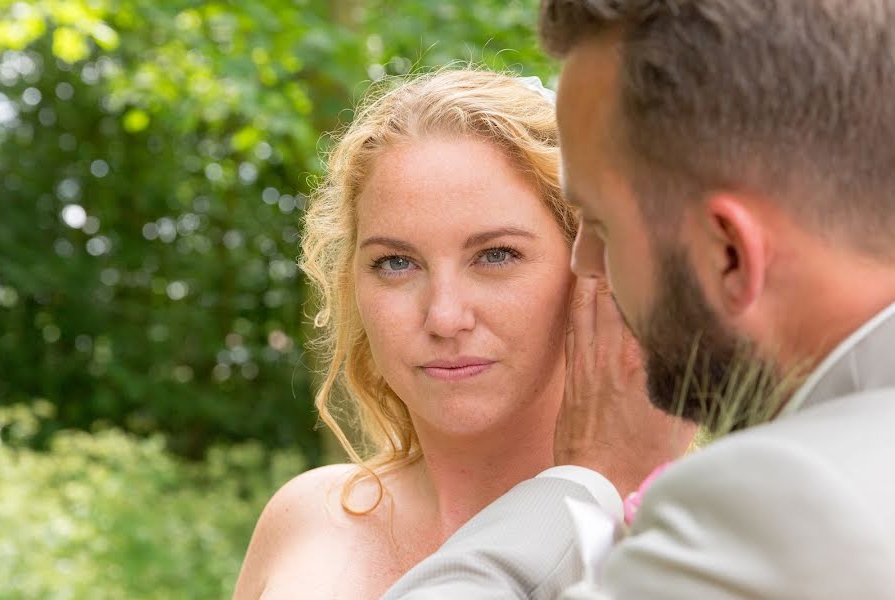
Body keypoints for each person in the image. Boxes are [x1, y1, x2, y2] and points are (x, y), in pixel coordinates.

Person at [381, 1, 895, 598]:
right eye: (394, 262)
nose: (586, 266)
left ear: (729, 251)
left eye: (600, 226)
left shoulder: (783, 498)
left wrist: (584, 478)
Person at [231, 69, 693, 600]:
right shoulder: (307, 519)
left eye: (496, 255)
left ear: (596, 275)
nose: (445, 318)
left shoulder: (700, 544)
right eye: (396, 263)